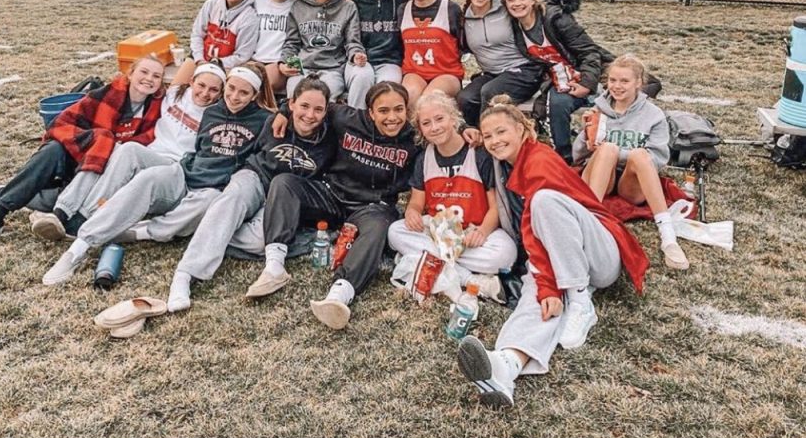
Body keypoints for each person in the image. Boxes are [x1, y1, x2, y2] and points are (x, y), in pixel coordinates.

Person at [455, 96, 649, 408]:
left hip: (599, 254)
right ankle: (506, 365)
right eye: (488, 135)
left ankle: (580, 298)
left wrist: (549, 284)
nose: (494, 141)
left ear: (522, 130)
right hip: (556, 256)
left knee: (545, 203)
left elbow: (535, 221)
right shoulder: (504, 163)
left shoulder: (539, 158)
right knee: (540, 300)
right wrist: (545, 286)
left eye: (501, 132)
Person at [41, 63, 276, 285]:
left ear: (254, 94)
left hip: (212, 188)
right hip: (183, 172)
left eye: (243, 93)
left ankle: (141, 232)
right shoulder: (210, 111)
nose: (234, 96)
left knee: (206, 203)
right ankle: (79, 247)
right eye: (231, 89)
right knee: (146, 177)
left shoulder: (266, 120)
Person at [244, 82, 420, 331]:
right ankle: (274, 265)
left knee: (381, 226)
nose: (392, 117)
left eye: (398, 109)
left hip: (372, 206)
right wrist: (284, 110)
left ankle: (340, 293)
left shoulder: (414, 137)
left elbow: (444, 128)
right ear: (369, 112)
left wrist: (467, 129)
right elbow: (308, 101)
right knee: (285, 183)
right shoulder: (345, 117)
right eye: (383, 110)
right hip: (331, 194)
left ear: (406, 110)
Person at [166, 76, 337, 312]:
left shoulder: (332, 134)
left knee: (259, 241)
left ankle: (209, 228)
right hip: (256, 177)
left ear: (327, 110)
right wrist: (283, 112)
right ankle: (185, 275)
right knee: (233, 198)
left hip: (283, 197)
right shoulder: (274, 122)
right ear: (292, 103)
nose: (310, 115)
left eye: (318, 109)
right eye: (304, 106)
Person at [0, 55, 165, 250]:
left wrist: (110, 148)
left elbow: (142, 145)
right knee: (55, 149)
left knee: (55, 200)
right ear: (130, 74)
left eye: (156, 76)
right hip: (78, 156)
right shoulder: (103, 95)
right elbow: (60, 124)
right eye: (144, 72)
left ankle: (12, 192)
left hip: (104, 173)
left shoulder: (157, 108)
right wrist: (97, 140)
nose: (149, 78)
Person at [29, 62, 226, 241]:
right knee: (111, 148)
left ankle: (82, 217)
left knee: (129, 151)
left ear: (220, 93)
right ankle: (62, 211)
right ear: (191, 81)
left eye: (213, 90)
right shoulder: (173, 94)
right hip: (148, 155)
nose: (205, 93)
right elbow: (136, 87)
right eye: (201, 85)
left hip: (175, 169)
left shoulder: (217, 117)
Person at [387, 90, 516, 301]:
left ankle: (422, 260)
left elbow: (495, 207)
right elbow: (417, 203)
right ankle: (469, 279)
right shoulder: (424, 158)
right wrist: (411, 212)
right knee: (395, 231)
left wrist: (482, 231)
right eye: (426, 123)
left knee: (506, 253)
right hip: (438, 233)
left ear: (454, 117)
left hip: (470, 232)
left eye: (440, 118)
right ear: (420, 129)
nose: (435, 127)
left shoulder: (478, 153)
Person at [573, 54, 688, 270]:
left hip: (632, 182)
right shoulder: (598, 110)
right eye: (612, 80)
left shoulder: (654, 115)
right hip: (600, 179)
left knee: (639, 154)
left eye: (624, 81)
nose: (616, 86)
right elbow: (578, 157)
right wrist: (586, 134)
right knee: (607, 148)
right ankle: (590, 224)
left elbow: (658, 160)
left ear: (638, 83)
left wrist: (620, 154)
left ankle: (668, 236)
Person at [503, 0, 615, 163]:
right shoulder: (515, 26)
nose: (517, 4)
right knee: (555, 101)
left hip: (585, 74)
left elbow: (589, 51)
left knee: (558, 103)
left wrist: (586, 83)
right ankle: (563, 159)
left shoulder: (555, 19)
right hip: (558, 79)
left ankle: (568, 160)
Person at [278, 0, 374, 108]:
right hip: (304, 68)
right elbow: (292, 42)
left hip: (332, 69)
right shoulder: (298, 6)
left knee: (323, 98)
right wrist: (284, 62)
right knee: (297, 97)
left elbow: (352, 41)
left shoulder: (348, 8)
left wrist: (356, 55)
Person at [457, 0, 544, 127]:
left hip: (523, 71)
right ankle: (473, 135)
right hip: (491, 74)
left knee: (490, 92)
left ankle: (488, 137)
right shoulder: (463, 18)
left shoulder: (506, 9)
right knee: (465, 98)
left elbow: (535, 20)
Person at [399, 0, 464, 106]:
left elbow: (462, 43)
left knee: (429, 100)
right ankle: (411, 130)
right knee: (409, 96)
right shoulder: (403, 10)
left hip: (446, 73)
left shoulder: (450, 9)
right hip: (415, 71)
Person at [352, 0, 405, 86]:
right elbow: (351, 36)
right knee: (361, 80)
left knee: (387, 87)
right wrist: (356, 54)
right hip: (364, 61)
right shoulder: (358, 0)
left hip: (391, 62)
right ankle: (356, 109)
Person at [188, 0, 259, 68]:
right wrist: (199, 59)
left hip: (226, 66)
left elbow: (242, 55)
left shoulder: (249, 17)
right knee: (177, 83)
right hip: (201, 58)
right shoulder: (211, 4)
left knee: (207, 82)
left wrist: (215, 64)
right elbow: (197, 35)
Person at [253, 0, 300, 94]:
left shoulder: (298, 4)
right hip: (253, 59)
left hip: (278, 63)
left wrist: (286, 63)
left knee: (261, 81)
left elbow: (296, 42)